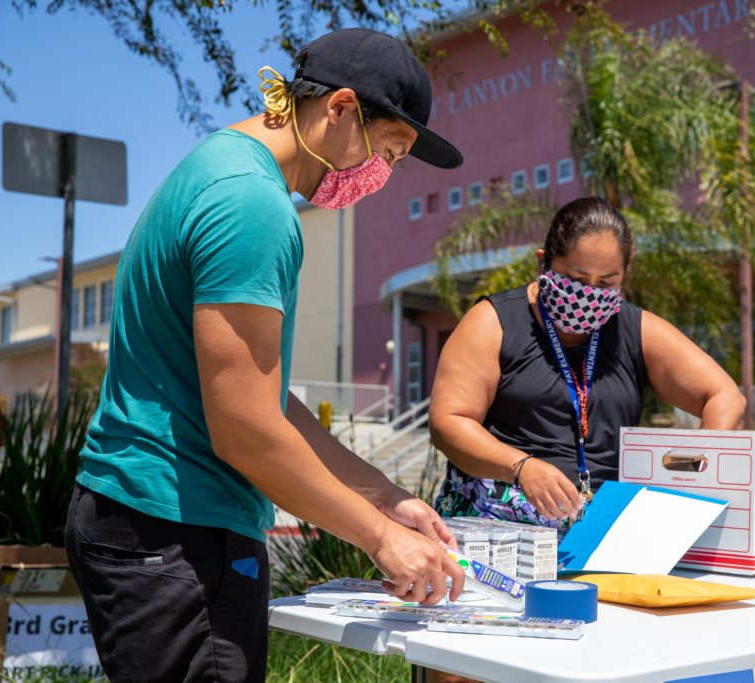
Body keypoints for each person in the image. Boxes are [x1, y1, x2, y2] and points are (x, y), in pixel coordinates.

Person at [64, 28, 465, 683]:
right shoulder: (253, 205)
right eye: (388, 152)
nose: (384, 176)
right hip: (177, 531)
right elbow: (247, 431)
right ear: (337, 109)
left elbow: (263, 401)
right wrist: (377, 536)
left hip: (148, 520)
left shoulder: (219, 167)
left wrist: (386, 496)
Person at [431, 196, 746, 529]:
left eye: (606, 283)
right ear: (543, 264)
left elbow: (723, 395)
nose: (589, 293)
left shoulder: (634, 329)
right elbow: (448, 422)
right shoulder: (493, 322)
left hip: (604, 529)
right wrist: (520, 466)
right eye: (577, 279)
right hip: (499, 526)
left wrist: (705, 471)